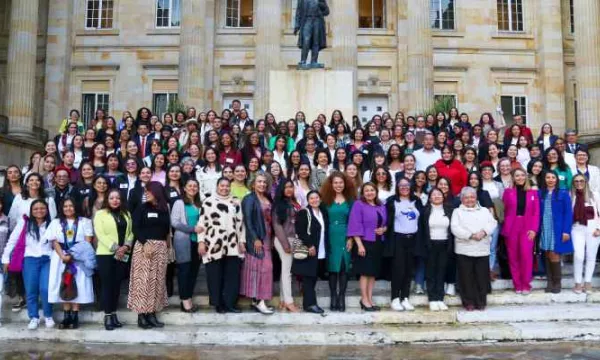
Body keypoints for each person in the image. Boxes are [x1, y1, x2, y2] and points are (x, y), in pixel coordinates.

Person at [43, 197, 95, 330]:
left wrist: (72, 255)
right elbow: (53, 241)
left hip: (79, 257)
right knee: (64, 283)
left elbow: (87, 241)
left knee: (78, 283)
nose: (68, 208)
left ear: (76, 207)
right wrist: (62, 255)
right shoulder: (56, 222)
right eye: (65, 206)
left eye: (71, 206)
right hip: (60, 257)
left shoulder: (85, 222)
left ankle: (75, 316)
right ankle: (66, 316)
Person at [2, 200, 53, 330]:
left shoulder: (53, 224)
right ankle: (34, 317)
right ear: (31, 210)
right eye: (36, 208)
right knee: (31, 290)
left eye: (42, 208)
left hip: (47, 259)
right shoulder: (24, 223)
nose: (39, 211)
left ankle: (48, 316)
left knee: (46, 289)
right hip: (30, 259)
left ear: (47, 210)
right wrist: (6, 258)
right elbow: (12, 241)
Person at [198, 177, 246, 313]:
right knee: (215, 275)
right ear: (217, 186)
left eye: (227, 186)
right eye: (222, 186)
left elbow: (241, 224)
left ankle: (230, 303)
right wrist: (201, 242)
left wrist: (242, 241)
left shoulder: (235, 202)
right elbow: (202, 224)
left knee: (232, 275)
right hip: (213, 244)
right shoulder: (208, 202)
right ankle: (218, 304)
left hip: (232, 244)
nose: (224, 188)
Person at [128, 182, 171, 329]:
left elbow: (166, 229)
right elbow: (135, 227)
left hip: (160, 248)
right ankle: (142, 316)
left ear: (156, 192)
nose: (146, 193)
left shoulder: (165, 209)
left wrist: (166, 246)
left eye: (148, 191)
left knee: (157, 282)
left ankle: (152, 314)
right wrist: (145, 243)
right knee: (143, 282)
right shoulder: (142, 208)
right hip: (144, 247)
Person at [451, 187, 498, 311]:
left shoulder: (484, 210)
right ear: (461, 199)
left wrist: (483, 232)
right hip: (464, 249)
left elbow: (492, 223)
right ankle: (468, 302)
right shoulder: (457, 211)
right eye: (466, 197)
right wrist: (471, 235)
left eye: (472, 197)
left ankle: (481, 301)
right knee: (466, 277)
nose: (469, 200)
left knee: (481, 277)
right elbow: (455, 228)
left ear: (476, 198)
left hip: (482, 248)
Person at [93, 189, 133, 330]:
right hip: (106, 254)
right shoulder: (100, 214)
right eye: (111, 198)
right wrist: (116, 247)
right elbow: (100, 234)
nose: (115, 200)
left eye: (117, 198)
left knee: (116, 286)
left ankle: (114, 314)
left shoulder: (126, 214)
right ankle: (107, 315)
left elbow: (131, 232)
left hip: (123, 254)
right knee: (107, 285)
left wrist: (127, 246)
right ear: (107, 200)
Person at [347, 182, 387, 312]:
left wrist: (384, 229)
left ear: (376, 191)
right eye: (367, 191)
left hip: (378, 242)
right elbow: (355, 224)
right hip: (364, 242)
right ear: (363, 193)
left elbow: (385, 222)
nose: (370, 192)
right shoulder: (359, 204)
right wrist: (359, 245)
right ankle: (364, 299)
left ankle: (370, 298)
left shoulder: (380, 205)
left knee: (373, 273)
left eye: (372, 190)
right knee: (365, 272)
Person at [385, 177, 422, 312]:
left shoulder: (416, 201)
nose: (404, 187)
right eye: (401, 185)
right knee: (398, 269)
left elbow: (421, 220)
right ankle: (395, 298)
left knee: (409, 270)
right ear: (397, 187)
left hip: (413, 239)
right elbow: (386, 220)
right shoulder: (392, 201)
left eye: (406, 185)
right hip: (398, 239)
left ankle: (405, 298)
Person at [320, 172, 355, 312]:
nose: (338, 185)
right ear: (331, 184)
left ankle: (341, 297)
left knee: (343, 267)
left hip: (346, 234)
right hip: (330, 235)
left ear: (345, 184)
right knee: (333, 268)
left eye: (341, 182)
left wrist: (351, 238)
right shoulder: (325, 199)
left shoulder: (351, 199)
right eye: (335, 183)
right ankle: (333, 296)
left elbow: (354, 221)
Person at [502, 168, 540, 294]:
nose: (520, 178)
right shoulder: (508, 192)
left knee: (526, 255)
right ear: (513, 178)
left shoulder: (533, 193)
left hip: (527, 226)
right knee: (513, 256)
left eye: (522, 175)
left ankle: (526, 284)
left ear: (526, 177)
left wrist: (534, 229)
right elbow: (504, 209)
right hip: (512, 226)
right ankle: (517, 284)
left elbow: (536, 213)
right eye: (517, 176)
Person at [240, 174, 274, 314]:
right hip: (257, 237)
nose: (262, 184)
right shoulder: (249, 199)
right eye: (259, 182)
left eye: (264, 182)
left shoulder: (267, 198)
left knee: (260, 268)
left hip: (268, 236)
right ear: (253, 184)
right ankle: (261, 301)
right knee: (265, 268)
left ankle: (256, 300)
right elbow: (247, 220)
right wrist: (255, 239)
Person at [171, 179, 204, 313]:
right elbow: (174, 222)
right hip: (184, 241)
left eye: (195, 186)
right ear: (184, 188)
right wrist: (192, 229)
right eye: (189, 185)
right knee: (184, 271)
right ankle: (185, 301)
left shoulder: (199, 203)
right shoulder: (179, 203)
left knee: (193, 272)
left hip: (197, 242)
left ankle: (188, 297)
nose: (192, 188)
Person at [293, 191, 329, 314]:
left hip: (321, 250)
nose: (314, 200)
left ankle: (308, 303)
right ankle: (310, 304)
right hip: (310, 250)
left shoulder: (322, 212)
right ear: (308, 200)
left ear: (320, 199)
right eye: (311, 198)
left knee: (313, 277)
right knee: (308, 278)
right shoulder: (304, 212)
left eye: (316, 197)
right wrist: (309, 245)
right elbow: (300, 230)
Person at [419, 188, 453, 311]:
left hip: (445, 244)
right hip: (430, 245)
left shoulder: (449, 209)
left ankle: (440, 298)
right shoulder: (425, 211)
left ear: (443, 197)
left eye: (439, 194)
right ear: (429, 198)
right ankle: (432, 299)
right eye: (434, 194)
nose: (437, 196)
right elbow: (422, 230)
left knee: (441, 271)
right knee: (430, 272)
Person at [539, 171, 573, 294]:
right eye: (548, 177)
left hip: (557, 228)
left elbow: (568, 213)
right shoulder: (541, 193)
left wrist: (566, 230)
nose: (550, 179)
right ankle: (549, 282)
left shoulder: (563, 194)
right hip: (544, 227)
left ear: (557, 180)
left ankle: (557, 282)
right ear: (545, 179)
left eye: (553, 177)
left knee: (554, 254)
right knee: (547, 253)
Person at [272, 180, 301, 313]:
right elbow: (277, 226)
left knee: (287, 270)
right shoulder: (278, 204)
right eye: (286, 187)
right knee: (287, 271)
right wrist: (285, 244)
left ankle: (283, 300)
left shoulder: (294, 203)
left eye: (291, 187)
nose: (289, 189)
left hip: (294, 239)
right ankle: (289, 302)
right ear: (281, 189)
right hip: (284, 239)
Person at [571, 174, 600, 293]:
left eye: (581, 181)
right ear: (573, 183)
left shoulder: (594, 195)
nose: (579, 183)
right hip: (577, 228)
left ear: (586, 181)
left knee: (591, 256)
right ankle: (578, 283)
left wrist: (599, 228)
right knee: (579, 255)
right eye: (576, 181)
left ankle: (587, 282)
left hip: (593, 228)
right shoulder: (571, 195)